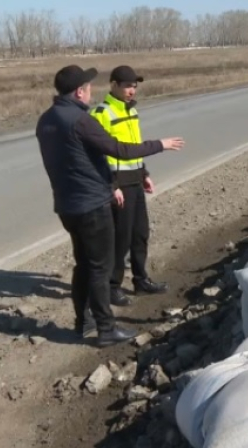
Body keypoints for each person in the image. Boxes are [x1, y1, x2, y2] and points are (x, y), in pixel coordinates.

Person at [35, 65, 184, 347]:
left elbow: (84, 157)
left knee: (84, 265)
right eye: (88, 87)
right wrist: (160, 144)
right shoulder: (81, 120)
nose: (91, 90)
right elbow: (119, 150)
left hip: (67, 206)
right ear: (79, 92)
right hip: (92, 204)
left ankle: (84, 323)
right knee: (100, 268)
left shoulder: (46, 120)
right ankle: (106, 329)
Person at [90, 65, 167, 307]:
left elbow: (135, 146)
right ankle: (112, 287)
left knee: (140, 234)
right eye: (127, 86)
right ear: (113, 85)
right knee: (120, 238)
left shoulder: (131, 110)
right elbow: (98, 155)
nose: (132, 90)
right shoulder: (101, 113)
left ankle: (141, 280)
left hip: (134, 180)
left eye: (134, 86)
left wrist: (144, 173)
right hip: (118, 183)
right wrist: (112, 185)